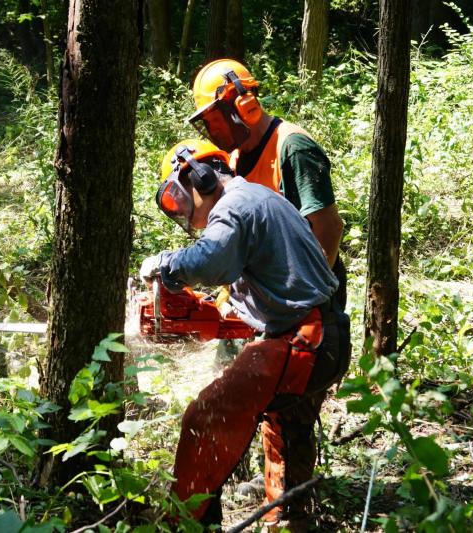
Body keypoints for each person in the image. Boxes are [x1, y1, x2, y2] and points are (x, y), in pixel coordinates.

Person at [140, 139, 351, 531]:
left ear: (199, 176)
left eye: (177, 197)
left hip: (306, 338)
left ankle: (186, 523)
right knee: (285, 425)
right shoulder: (258, 198)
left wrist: (164, 264)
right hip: (325, 332)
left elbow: (210, 260)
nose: (182, 211)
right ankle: (288, 519)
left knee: (208, 417)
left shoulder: (235, 205)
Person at [188, 59, 347, 310]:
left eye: (216, 118)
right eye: (208, 122)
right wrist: (228, 291)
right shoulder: (237, 158)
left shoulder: (293, 148)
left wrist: (304, 296)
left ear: (244, 104)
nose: (214, 129)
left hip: (309, 298)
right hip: (266, 294)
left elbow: (329, 228)